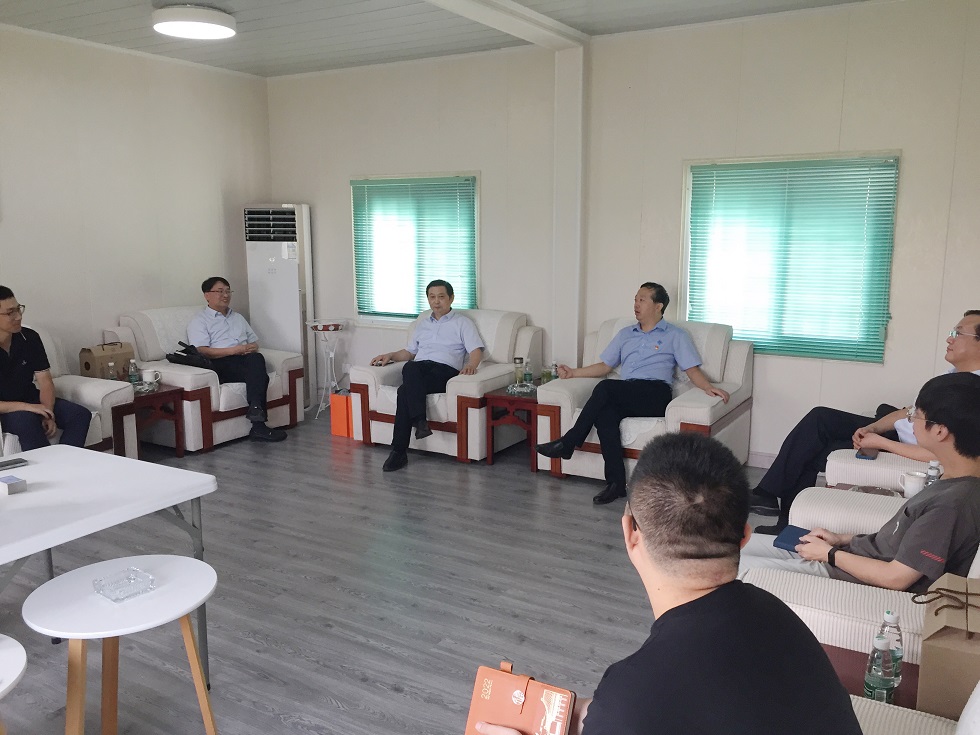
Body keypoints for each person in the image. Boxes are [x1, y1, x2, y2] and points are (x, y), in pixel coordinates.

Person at [476, 433, 862, 735]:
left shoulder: (633, 695)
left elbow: (648, 709)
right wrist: (585, 714)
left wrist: (609, 713)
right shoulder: (773, 611)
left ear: (630, 533)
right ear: (744, 536)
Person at [739, 372, 980, 593]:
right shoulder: (951, 477)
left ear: (940, 431)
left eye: (915, 415)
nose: (910, 421)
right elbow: (894, 540)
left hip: (844, 574)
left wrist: (829, 554)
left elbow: (896, 578)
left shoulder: (952, 505)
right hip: (849, 556)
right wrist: (842, 539)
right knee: (733, 547)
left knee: (729, 568)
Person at [751, 309, 980, 533]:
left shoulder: (971, 394)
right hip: (897, 434)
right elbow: (906, 412)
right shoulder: (952, 375)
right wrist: (872, 428)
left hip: (906, 448)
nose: (949, 338)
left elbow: (942, 452)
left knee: (812, 452)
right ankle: (770, 498)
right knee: (820, 418)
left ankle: (785, 521)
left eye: (958, 333)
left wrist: (880, 442)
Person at [536, 283, 729, 505]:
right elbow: (605, 366)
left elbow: (692, 370)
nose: (636, 304)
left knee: (605, 388)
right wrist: (573, 373)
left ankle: (569, 442)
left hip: (655, 394)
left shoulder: (675, 335)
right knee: (605, 415)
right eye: (635, 299)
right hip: (628, 392)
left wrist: (707, 387)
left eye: (642, 300)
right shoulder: (625, 334)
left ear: (658, 306)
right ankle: (616, 484)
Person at [371, 279, 483, 472]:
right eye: (432, 297)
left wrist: (471, 365)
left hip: (444, 371)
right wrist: (390, 355)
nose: (436, 301)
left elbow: (476, 350)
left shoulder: (463, 323)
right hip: (420, 370)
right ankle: (413, 433)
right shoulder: (422, 324)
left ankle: (400, 448)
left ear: (451, 298)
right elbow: (409, 352)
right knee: (408, 376)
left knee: (406, 385)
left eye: (441, 297)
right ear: (428, 299)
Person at [187, 277, 286, 442]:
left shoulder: (237, 317)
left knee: (256, 360)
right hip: (219, 363)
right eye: (220, 291)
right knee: (259, 373)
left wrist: (250, 347)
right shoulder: (200, 320)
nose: (225, 295)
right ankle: (258, 425)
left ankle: (256, 412)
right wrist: (234, 350)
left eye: (228, 291)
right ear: (207, 295)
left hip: (243, 360)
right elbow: (202, 351)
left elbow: (254, 342)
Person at [0, 285, 92, 450]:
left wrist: (48, 413)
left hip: (30, 398)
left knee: (80, 415)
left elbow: (45, 381)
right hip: (6, 410)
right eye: (10, 312)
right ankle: (49, 465)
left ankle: (64, 461)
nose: (18, 316)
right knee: (27, 420)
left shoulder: (29, 337)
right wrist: (30, 408)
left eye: (19, 309)